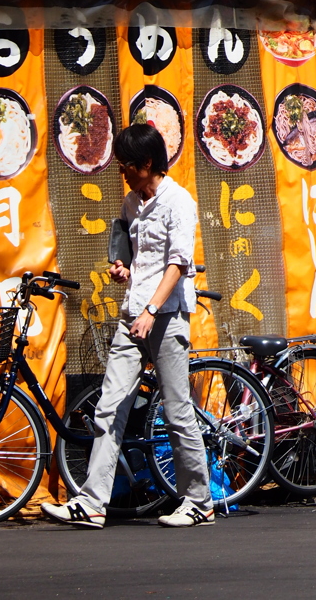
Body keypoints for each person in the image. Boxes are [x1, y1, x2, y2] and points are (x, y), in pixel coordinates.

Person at [41, 124, 213, 529]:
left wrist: (152, 309)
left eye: (125, 166)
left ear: (147, 163)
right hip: (132, 313)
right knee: (109, 405)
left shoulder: (179, 202)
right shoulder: (132, 202)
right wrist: (123, 267)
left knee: (176, 410)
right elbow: (129, 243)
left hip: (165, 315)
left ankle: (199, 501)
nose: (122, 172)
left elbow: (177, 264)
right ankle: (92, 502)